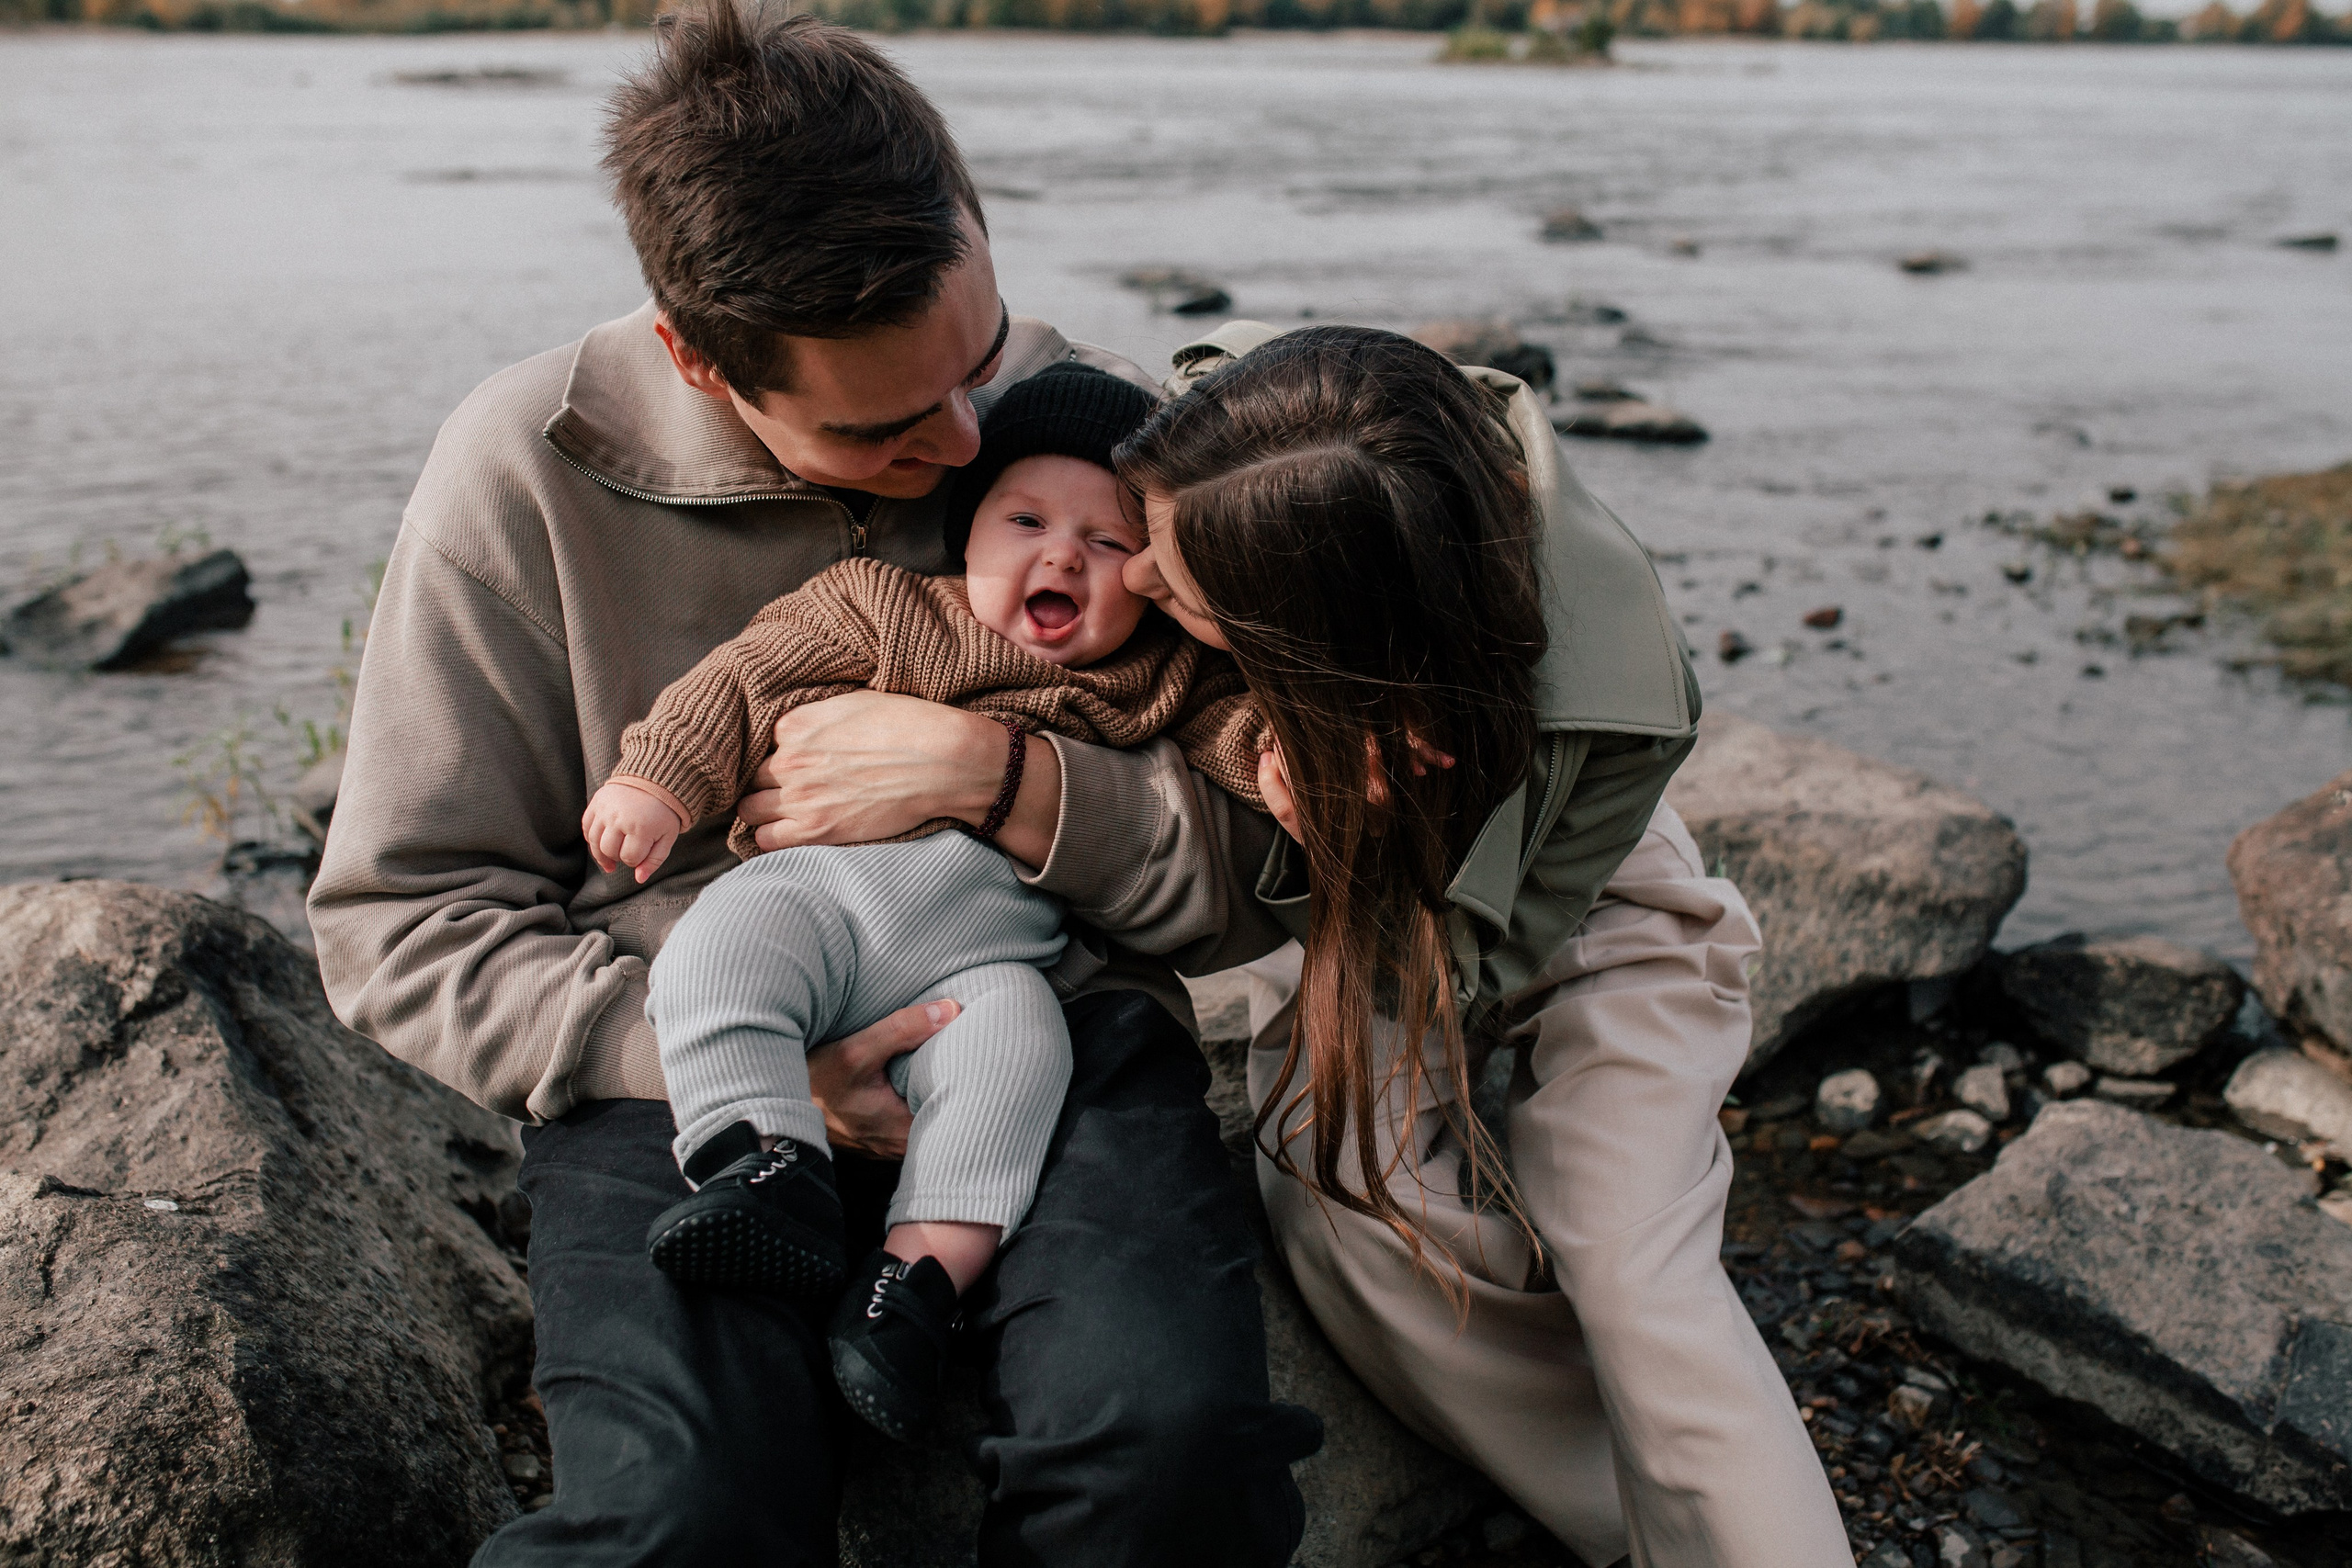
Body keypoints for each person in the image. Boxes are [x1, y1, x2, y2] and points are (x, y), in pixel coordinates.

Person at [306, 8, 1318, 1563]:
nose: (974, 439)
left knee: (1170, 1459)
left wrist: (1014, 782)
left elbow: (1266, 866)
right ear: (698, 359)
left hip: (1054, 1020)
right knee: (682, 1522)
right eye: (889, 426)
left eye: (979, 360)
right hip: (673, 1058)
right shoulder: (521, 470)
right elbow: (401, 917)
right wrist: (718, 1060)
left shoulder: (1097, 438)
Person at [1109, 321, 1855, 1567]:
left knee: (1633, 1260)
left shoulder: (1615, 696)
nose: (1133, 580)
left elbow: (1456, 977)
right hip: (1375, 862)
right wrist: (1249, 729)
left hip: (1594, 890)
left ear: (1326, 647)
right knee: (1333, 1172)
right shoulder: (1253, 419)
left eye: (1180, 590)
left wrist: (1342, 824)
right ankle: (1618, 1505)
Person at [578, 362, 1261, 1442]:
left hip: (989, 965)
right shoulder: (883, 605)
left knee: (1016, 1067)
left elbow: (1236, 732)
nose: (1063, 556)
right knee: (711, 955)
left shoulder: (1158, 674)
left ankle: (911, 1290)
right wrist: (656, 778)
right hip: (820, 900)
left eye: (1110, 542)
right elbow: (741, 678)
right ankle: (763, 1160)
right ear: (970, 525)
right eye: (1025, 518)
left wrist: (1289, 767)